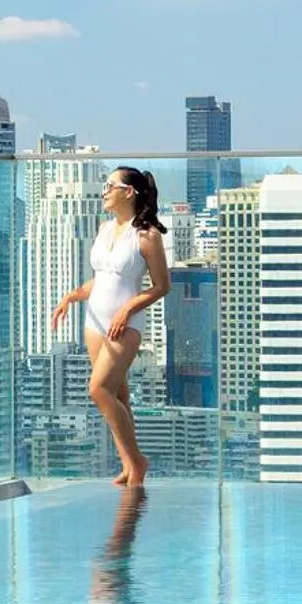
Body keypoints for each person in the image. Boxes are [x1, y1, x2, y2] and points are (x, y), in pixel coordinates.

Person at [51, 166, 171, 487]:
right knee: (118, 394)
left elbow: (161, 286)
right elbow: (102, 279)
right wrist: (71, 297)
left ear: (128, 192)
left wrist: (127, 309)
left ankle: (137, 461)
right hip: (93, 321)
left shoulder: (146, 236)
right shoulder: (105, 230)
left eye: (109, 185)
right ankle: (128, 466)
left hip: (125, 325)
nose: (104, 192)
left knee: (98, 389)